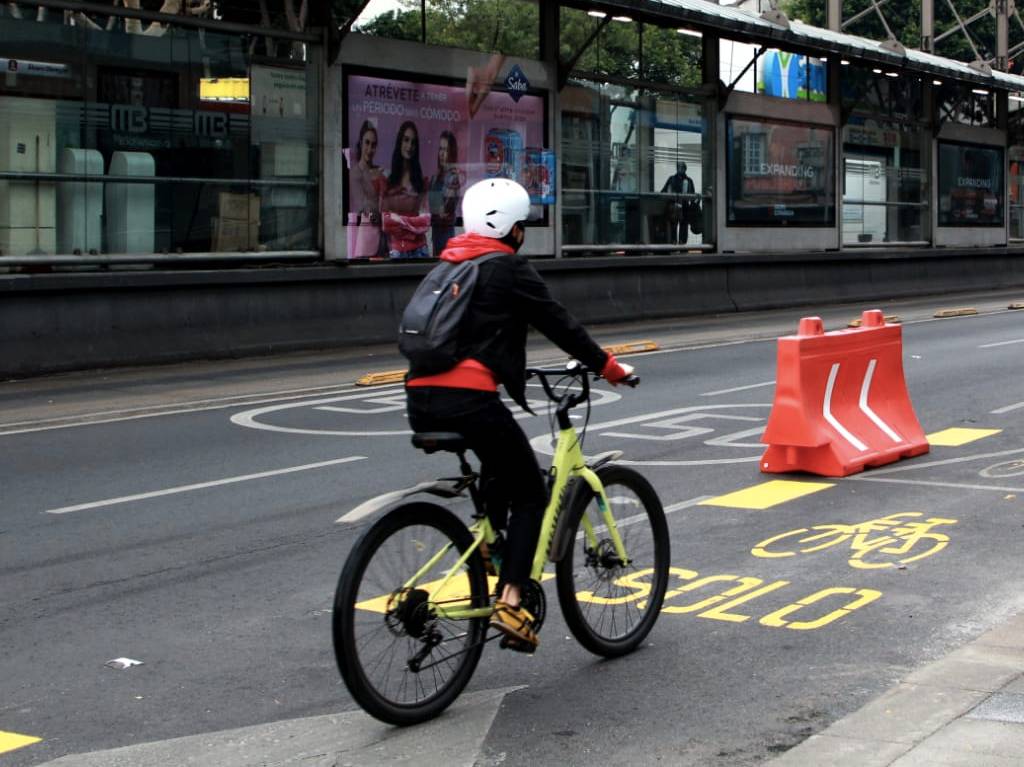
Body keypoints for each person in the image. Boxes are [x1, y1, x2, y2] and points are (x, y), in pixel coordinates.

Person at [404, 179, 635, 652]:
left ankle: (492, 546)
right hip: (469, 399)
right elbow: (559, 323)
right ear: (513, 229)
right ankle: (511, 600)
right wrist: (608, 367)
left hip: (419, 396)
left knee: (498, 465)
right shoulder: (508, 268)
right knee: (530, 490)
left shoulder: (448, 265)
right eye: (522, 226)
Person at [381, 121, 431, 259]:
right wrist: (413, 225)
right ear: (400, 142)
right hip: (396, 251)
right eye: (406, 140)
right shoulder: (388, 182)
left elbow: (425, 221)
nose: (409, 146)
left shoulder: (421, 182)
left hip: (421, 250)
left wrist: (399, 220)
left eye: (413, 142)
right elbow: (386, 223)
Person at [346, 120, 386, 260]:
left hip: (382, 237)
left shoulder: (378, 171)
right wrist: (383, 218)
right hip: (365, 237)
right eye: (367, 143)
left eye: (373, 145)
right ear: (361, 143)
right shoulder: (355, 172)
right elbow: (362, 206)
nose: (370, 149)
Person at [428, 131, 462, 257]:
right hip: (436, 232)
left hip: (446, 233)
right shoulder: (434, 179)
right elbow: (434, 209)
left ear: (451, 153)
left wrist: (437, 211)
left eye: (446, 150)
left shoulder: (453, 178)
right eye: (440, 149)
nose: (442, 154)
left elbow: (443, 211)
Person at [661, 161, 696, 244]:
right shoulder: (672, 179)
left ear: (685, 169)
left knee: (684, 226)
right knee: (673, 226)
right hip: (674, 206)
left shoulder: (689, 180)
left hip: (685, 207)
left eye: (682, 167)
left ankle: (682, 243)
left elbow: (692, 195)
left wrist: (690, 198)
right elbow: (663, 191)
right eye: (678, 167)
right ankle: (673, 242)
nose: (680, 169)